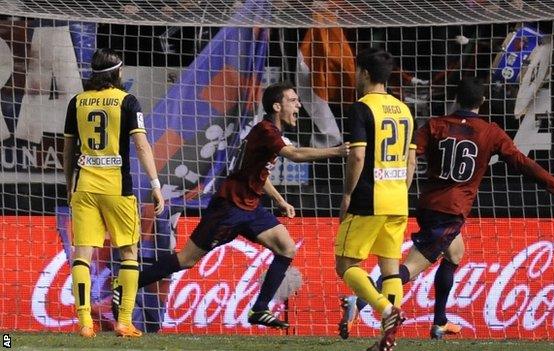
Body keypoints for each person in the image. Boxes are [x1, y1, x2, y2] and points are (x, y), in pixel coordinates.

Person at [339, 76, 554, 340]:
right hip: (451, 210)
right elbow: (521, 162)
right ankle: (361, 301)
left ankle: (439, 323)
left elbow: (406, 153)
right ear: (483, 102)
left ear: (455, 99)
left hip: (427, 205)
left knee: (455, 254)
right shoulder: (491, 132)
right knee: (409, 268)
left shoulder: (435, 126)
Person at [116, 81, 349, 328]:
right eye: (293, 100)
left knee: (286, 248)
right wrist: (336, 152)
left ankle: (259, 310)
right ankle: (126, 284)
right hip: (229, 208)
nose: (298, 105)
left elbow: (259, 172)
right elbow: (296, 155)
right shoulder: (266, 131)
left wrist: (280, 200)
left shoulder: (270, 134)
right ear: (276, 106)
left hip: (250, 207)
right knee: (185, 260)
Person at [63, 48, 164, 338]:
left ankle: (84, 323)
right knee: (129, 253)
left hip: (84, 186)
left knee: (82, 254)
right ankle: (123, 321)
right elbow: (142, 146)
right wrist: (155, 185)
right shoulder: (127, 102)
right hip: (117, 188)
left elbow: (69, 148)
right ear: (118, 72)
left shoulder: (77, 102)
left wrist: (69, 184)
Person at [334, 47, 417, 351]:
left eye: (356, 71)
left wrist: (347, 194)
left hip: (369, 198)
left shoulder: (361, 108)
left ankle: (387, 310)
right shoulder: (405, 110)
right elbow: (411, 162)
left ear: (365, 73)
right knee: (390, 268)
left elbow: (357, 155)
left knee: (345, 265)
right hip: (398, 199)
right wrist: (399, 191)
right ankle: (387, 338)